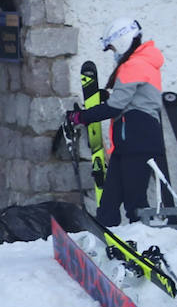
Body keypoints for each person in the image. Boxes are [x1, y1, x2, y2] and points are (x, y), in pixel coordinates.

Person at [65, 17, 164, 227]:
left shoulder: (135, 65)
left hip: (138, 140)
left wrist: (81, 117)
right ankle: (106, 241)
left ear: (122, 41)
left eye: (112, 48)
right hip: (128, 142)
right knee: (109, 203)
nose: (114, 53)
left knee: (134, 203)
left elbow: (115, 106)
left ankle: (143, 247)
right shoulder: (140, 61)